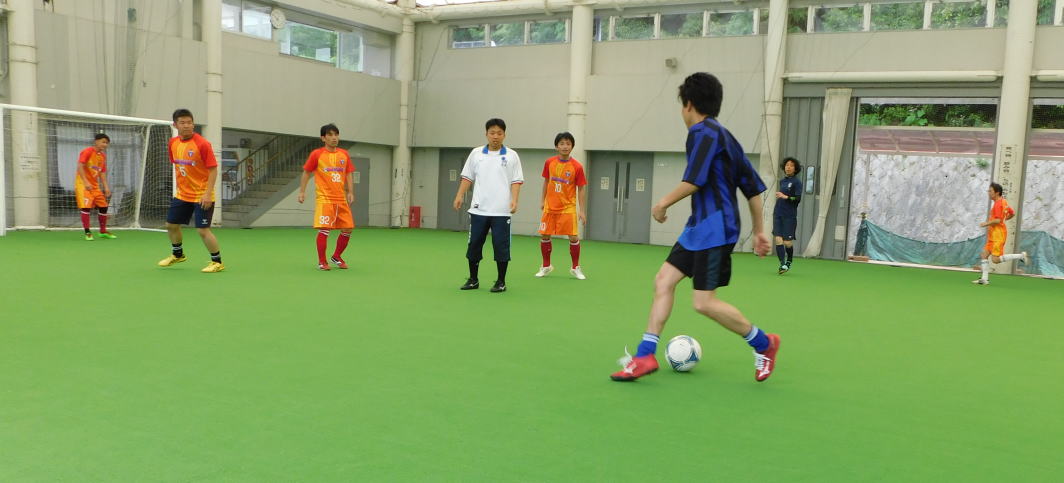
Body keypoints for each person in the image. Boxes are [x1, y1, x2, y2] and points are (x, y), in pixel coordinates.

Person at [610, 72, 779, 383]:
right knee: (663, 281)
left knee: (703, 302)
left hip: (716, 229)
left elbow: (694, 180)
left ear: (688, 104)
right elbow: (753, 188)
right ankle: (645, 356)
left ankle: (764, 343)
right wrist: (759, 230)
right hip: (699, 228)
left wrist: (662, 203)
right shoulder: (727, 136)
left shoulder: (701, 133)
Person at [453, 118, 524, 293]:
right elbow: (467, 177)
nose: (495, 136)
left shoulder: (512, 155)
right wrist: (459, 195)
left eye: (499, 133)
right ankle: (473, 279)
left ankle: (501, 281)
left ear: (504, 135)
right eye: (492, 133)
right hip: (479, 210)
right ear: (486, 134)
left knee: (501, 246)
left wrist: (514, 200)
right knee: (474, 244)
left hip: (502, 211)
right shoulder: (476, 153)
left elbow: (516, 181)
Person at [157, 108, 224, 273]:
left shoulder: (202, 144)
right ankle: (178, 254)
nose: (186, 125)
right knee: (171, 225)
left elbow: (213, 170)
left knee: (202, 230)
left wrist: (207, 194)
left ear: (193, 124)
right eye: (182, 123)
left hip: (202, 195)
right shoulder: (173, 143)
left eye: (189, 122)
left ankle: (217, 262)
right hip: (182, 195)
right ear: (175, 125)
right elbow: (178, 166)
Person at [298, 123, 356, 271]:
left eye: (336, 134)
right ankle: (322, 262)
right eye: (330, 135)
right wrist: (302, 191)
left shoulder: (344, 154)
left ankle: (336, 256)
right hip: (325, 199)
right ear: (323, 138)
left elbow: (349, 173)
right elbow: (306, 172)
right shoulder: (317, 154)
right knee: (324, 229)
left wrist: (350, 191)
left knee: (348, 228)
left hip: (341, 199)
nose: (334, 138)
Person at [535, 132, 588, 280]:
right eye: (562, 144)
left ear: (572, 146)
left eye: (568, 144)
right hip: (550, 206)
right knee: (545, 234)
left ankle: (575, 267)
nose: (565, 146)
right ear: (556, 146)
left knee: (573, 236)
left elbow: (581, 189)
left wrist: (582, 211)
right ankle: (546, 266)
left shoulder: (577, 167)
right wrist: (542, 200)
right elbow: (546, 182)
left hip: (568, 207)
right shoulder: (549, 162)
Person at [972, 182, 1027, 285]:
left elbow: (997, 220)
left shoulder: (998, 204)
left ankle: (1020, 256)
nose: (988, 193)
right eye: (988, 191)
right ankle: (984, 279)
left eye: (990, 191)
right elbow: (1012, 213)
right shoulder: (1003, 202)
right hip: (993, 235)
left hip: (998, 235)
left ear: (997, 193)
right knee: (984, 254)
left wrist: (986, 223)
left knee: (995, 260)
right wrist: (1003, 220)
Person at [75, 133, 116, 240]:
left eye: (107, 143)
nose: (105, 145)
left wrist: (106, 187)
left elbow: (102, 172)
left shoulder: (102, 156)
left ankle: (103, 231)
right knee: (86, 207)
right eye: (103, 142)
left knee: (103, 206)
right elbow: (80, 166)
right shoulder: (87, 151)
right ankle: (87, 232)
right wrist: (86, 182)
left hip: (94, 185)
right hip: (83, 184)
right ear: (96, 141)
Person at [772, 156, 803, 273]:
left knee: (787, 242)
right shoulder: (782, 181)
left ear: (795, 169)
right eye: (787, 165)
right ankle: (783, 264)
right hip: (778, 213)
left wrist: (786, 197)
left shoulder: (797, 182)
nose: (788, 167)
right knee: (778, 239)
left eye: (791, 165)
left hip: (789, 216)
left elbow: (798, 199)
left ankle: (789, 260)